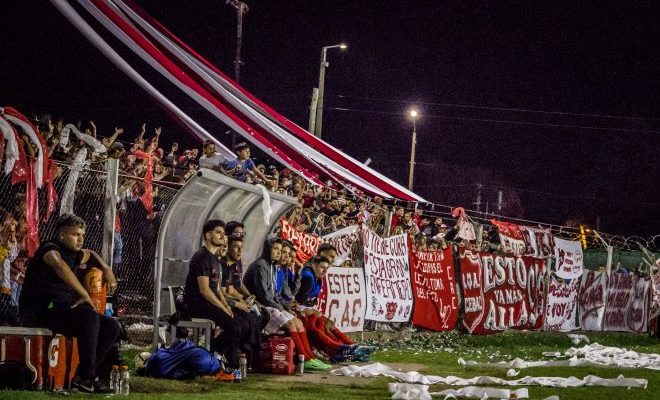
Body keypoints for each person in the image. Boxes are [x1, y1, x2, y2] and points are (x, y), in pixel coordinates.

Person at [19, 214, 120, 393]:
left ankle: (84, 376)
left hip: (62, 309)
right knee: (88, 315)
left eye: (82, 235)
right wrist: (84, 294)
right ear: (62, 235)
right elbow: (60, 266)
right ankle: (87, 378)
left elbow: (91, 254)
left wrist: (106, 268)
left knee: (112, 325)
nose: (80, 239)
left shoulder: (75, 254)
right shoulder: (49, 250)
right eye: (75, 235)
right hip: (42, 309)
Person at [243, 237, 331, 371]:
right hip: (261, 306)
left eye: (280, 250)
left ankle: (309, 357)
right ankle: (305, 358)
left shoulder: (272, 266)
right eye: (276, 249)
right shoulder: (261, 265)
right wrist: (283, 307)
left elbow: (279, 295)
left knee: (298, 322)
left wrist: (284, 306)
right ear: (268, 249)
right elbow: (264, 296)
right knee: (292, 324)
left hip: (272, 304)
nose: (279, 253)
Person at [181, 219, 251, 371]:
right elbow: (205, 290)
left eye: (223, 233)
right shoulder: (201, 257)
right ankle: (213, 356)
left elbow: (217, 288)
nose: (222, 236)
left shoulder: (214, 259)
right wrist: (223, 307)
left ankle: (216, 356)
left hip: (208, 303)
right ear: (207, 235)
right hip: (197, 304)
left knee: (241, 323)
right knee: (234, 327)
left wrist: (226, 305)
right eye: (218, 232)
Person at [295, 251, 376, 363]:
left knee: (328, 323)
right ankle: (341, 349)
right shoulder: (308, 277)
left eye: (327, 268)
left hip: (303, 307)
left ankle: (351, 347)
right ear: (314, 265)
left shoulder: (317, 276)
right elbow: (299, 300)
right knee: (315, 325)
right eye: (322, 267)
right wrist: (309, 309)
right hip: (297, 309)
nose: (325, 271)